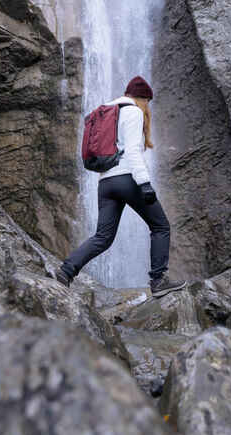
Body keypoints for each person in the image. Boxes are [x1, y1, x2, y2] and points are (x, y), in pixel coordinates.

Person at [56, 76, 186, 297]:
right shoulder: (134, 111)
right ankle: (158, 281)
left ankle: (66, 271)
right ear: (143, 99)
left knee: (102, 237)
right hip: (128, 178)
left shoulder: (107, 111)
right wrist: (145, 184)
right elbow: (133, 152)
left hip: (105, 182)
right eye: (148, 103)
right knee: (160, 226)